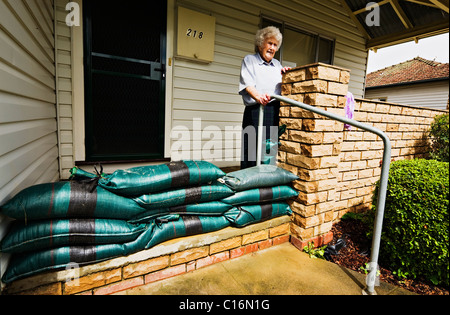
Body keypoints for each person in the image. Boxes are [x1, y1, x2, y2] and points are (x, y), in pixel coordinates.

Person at [239, 26, 291, 169]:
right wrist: (258, 97)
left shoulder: (277, 65)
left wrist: (287, 75)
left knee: (268, 147)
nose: (272, 48)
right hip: (256, 110)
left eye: (275, 45)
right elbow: (248, 85)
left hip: (273, 110)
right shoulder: (250, 60)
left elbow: (283, 88)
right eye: (269, 43)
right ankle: (249, 183)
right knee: (251, 149)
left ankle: (265, 181)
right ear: (261, 43)